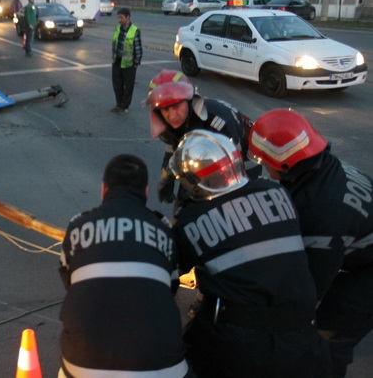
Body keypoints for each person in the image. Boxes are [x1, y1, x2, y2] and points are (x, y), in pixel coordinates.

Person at [170, 130, 331, 378]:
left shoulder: (190, 221)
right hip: (305, 341)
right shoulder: (277, 192)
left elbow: (182, 271)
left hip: (237, 346)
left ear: (192, 182)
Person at [248, 109, 373, 378]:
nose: (262, 166)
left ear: (283, 164)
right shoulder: (324, 167)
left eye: (263, 160)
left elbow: (308, 293)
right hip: (354, 247)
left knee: (327, 335)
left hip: (366, 273)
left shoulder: (323, 214)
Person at [59, 154, 190, 377]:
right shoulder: (163, 228)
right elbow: (171, 288)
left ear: (103, 190)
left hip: (83, 365)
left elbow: (69, 281)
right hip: (160, 367)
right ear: (146, 193)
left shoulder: (78, 224)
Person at [145, 69, 253, 204]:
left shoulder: (218, 122)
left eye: (176, 106)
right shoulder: (167, 123)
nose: (172, 116)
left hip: (241, 153)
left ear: (190, 100)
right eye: (165, 109)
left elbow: (234, 167)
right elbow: (174, 149)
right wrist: (167, 177)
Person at [110, 7, 142, 115]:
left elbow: (138, 48)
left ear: (128, 17)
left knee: (128, 87)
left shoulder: (134, 30)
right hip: (117, 61)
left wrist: (136, 63)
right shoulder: (117, 28)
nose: (119, 20)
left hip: (129, 64)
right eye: (118, 17)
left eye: (121, 18)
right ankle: (119, 105)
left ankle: (124, 107)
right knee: (117, 85)